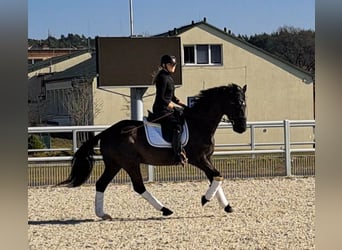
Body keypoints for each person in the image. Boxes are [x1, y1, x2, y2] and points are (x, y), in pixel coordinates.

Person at [151, 54, 188, 165]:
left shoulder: (169, 78)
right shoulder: (162, 78)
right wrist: (174, 107)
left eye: (174, 64)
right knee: (176, 127)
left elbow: (172, 97)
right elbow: (163, 99)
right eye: (170, 64)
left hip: (167, 109)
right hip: (161, 110)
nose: (173, 66)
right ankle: (177, 154)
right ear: (164, 65)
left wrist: (184, 105)